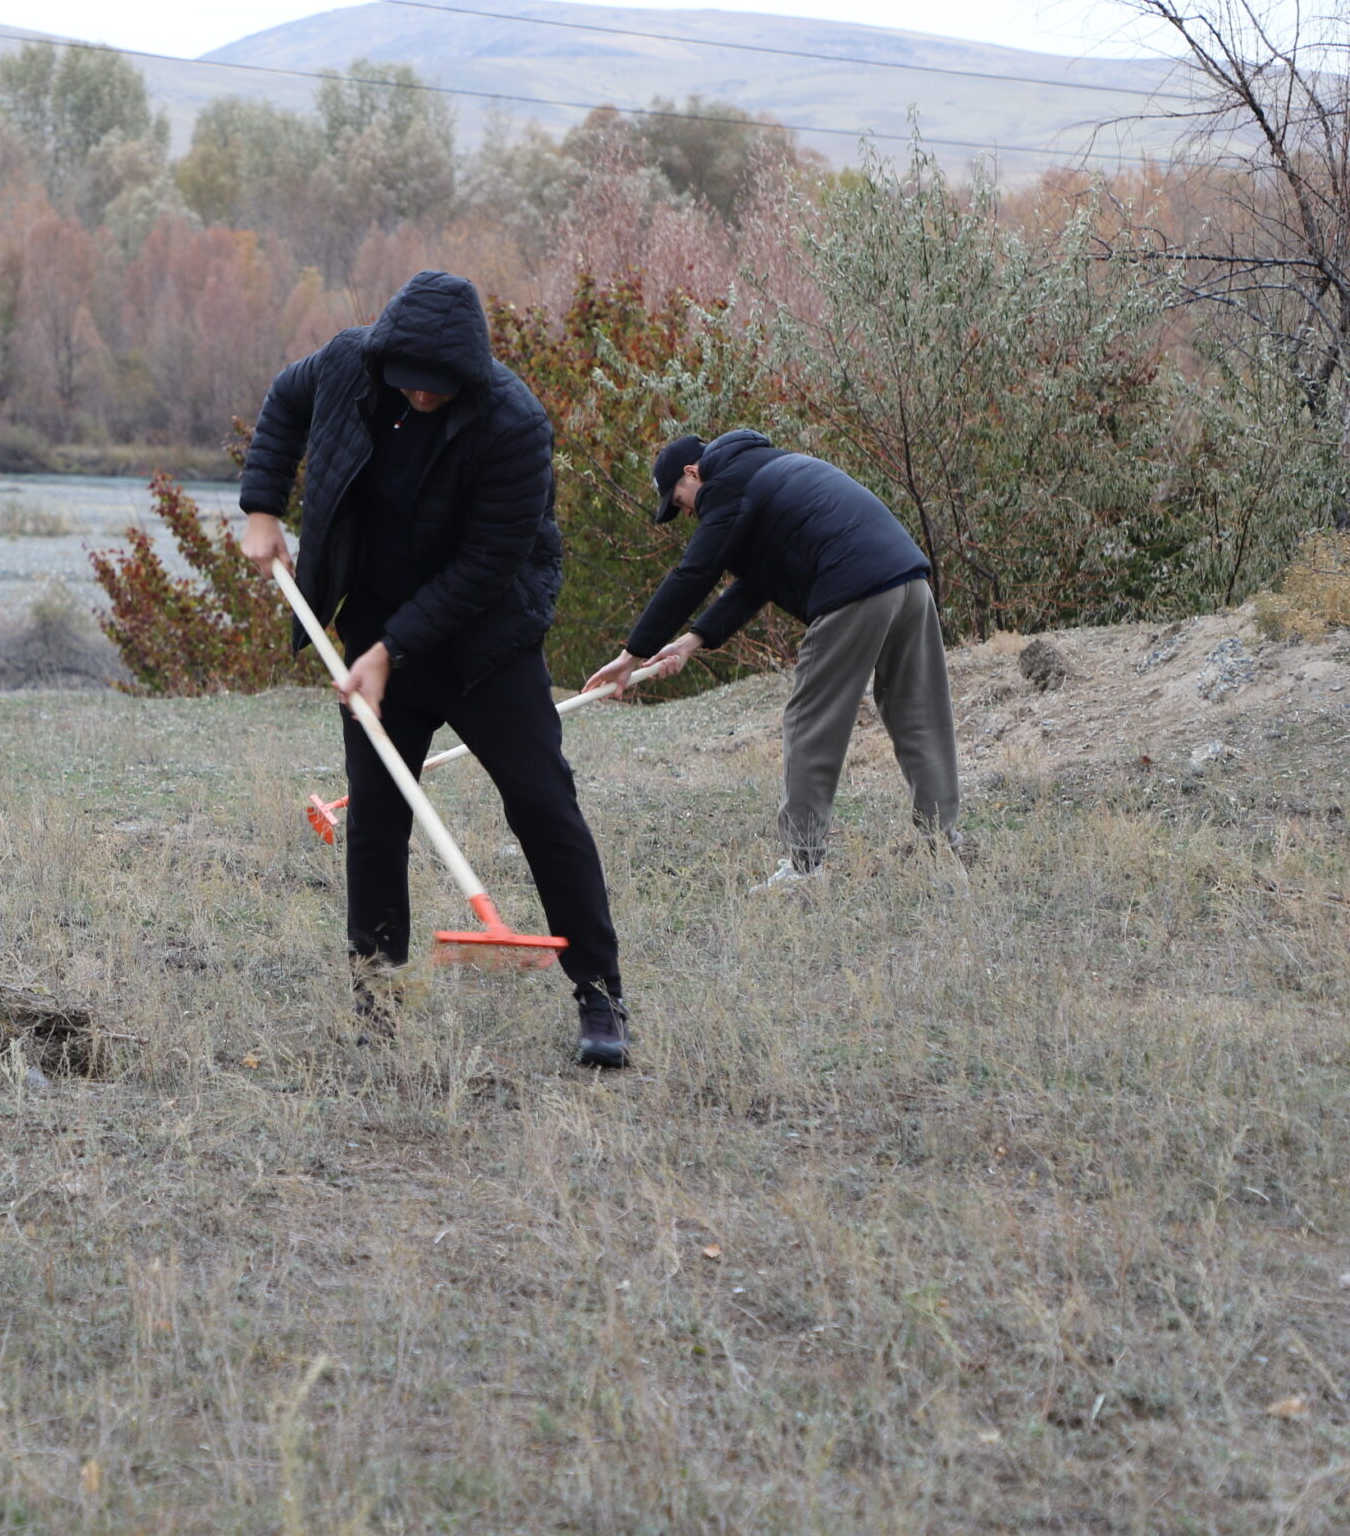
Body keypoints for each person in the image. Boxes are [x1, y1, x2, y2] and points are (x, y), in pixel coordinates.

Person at [240, 270, 637, 1069]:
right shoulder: (351, 362)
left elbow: (488, 565)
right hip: (375, 622)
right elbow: (285, 402)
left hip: (486, 643)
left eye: (437, 385)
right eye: (409, 380)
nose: (421, 394)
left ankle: (600, 994)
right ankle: (377, 1000)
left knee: (543, 804)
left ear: (469, 374)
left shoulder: (515, 424)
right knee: (376, 817)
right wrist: (261, 506)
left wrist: (391, 652)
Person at [581, 430, 961, 890]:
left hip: (853, 588)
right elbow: (755, 585)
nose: (687, 514)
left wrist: (631, 654)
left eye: (680, 502)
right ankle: (942, 849)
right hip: (909, 581)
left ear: (692, 473)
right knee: (919, 715)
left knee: (810, 723)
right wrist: (691, 642)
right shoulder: (764, 471)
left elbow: (694, 572)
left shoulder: (724, 485)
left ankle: (804, 867)